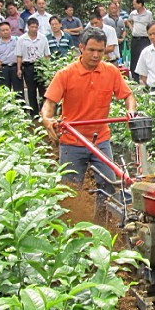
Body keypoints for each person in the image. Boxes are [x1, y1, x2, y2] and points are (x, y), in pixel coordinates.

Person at [41, 27, 136, 207]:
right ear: (81, 48)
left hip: (100, 139)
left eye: (100, 51)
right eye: (91, 50)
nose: (95, 55)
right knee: (69, 189)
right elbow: (49, 104)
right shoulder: (66, 74)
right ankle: (70, 227)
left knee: (109, 185)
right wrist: (48, 120)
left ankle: (103, 222)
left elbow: (128, 96)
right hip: (72, 140)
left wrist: (131, 111)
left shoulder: (111, 72)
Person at [16, 17, 50, 117]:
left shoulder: (42, 38)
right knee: (31, 90)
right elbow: (19, 55)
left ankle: (44, 111)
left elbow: (47, 55)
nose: (34, 29)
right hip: (27, 65)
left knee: (42, 90)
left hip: (40, 65)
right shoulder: (22, 39)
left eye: (36, 27)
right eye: (32, 27)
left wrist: (47, 68)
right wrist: (19, 69)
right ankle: (34, 113)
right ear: (28, 27)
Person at [0, 21, 23, 98]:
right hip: (3, 68)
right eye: (3, 30)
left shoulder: (17, 40)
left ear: (10, 30)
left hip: (15, 67)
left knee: (18, 91)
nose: (5, 32)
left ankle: (21, 108)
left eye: (7, 30)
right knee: (4, 91)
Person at [125, 0, 153, 82]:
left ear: (140, 4)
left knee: (144, 57)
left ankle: (145, 76)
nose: (133, 6)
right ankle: (134, 77)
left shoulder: (148, 14)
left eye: (134, 4)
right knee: (134, 57)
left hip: (144, 38)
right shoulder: (133, 13)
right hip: (135, 38)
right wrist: (131, 28)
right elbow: (127, 21)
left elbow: (151, 25)